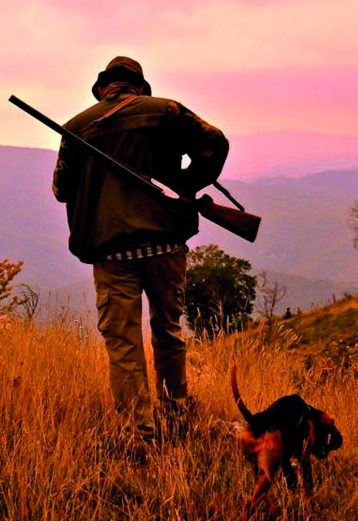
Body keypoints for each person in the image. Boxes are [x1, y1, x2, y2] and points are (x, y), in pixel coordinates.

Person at [52, 56, 229, 445]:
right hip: (166, 244)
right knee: (167, 330)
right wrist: (186, 184)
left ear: (103, 88)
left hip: (113, 252)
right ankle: (176, 415)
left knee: (124, 343)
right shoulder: (166, 111)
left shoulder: (77, 128)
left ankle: (139, 434)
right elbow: (214, 142)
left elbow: (61, 190)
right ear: (138, 86)